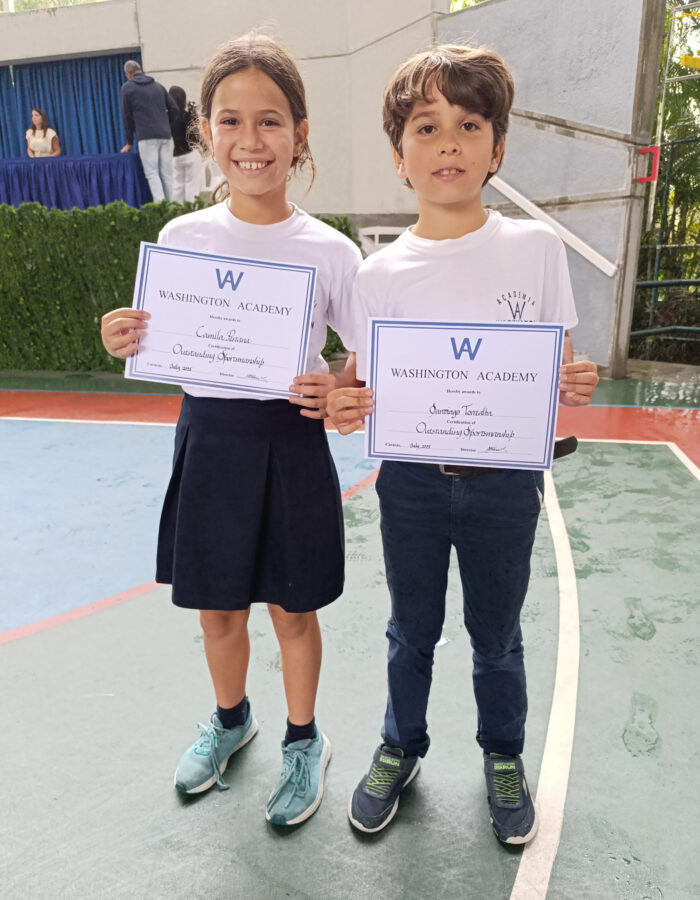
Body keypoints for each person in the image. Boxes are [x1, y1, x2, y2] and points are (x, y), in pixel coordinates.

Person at [327, 44, 599, 844]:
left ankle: (503, 755)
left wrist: (573, 382)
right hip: (410, 483)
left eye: (469, 125)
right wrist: (344, 404)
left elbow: (560, 364)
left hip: (505, 485)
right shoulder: (377, 276)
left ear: (497, 147)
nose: (448, 142)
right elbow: (355, 383)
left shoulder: (536, 249)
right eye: (426, 126)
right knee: (410, 629)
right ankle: (400, 745)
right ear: (399, 156)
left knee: (497, 635)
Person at [101, 33, 362, 826]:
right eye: (232, 121)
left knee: (293, 610)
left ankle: (304, 740)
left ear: (299, 134)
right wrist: (123, 336)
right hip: (209, 440)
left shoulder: (331, 250)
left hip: (290, 443)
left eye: (271, 121)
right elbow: (155, 337)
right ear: (205, 132)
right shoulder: (182, 241)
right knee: (217, 610)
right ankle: (230, 719)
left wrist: (339, 386)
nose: (252, 139)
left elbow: (369, 355)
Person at [120, 60, 178, 201]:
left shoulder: (127, 88)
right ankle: (174, 207)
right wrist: (165, 124)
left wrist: (129, 142)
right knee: (167, 174)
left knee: (152, 173)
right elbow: (174, 109)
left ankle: (161, 207)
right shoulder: (158, 86)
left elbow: (127, 116)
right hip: (164, 135)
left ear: (128, 74)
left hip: (146, 136)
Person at [168, 85, 203, 203]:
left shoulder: (169, 118)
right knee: (192, 186)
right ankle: (192, 209)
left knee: (177, 188)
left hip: (176, 156)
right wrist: (192, 109)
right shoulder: (186, 115)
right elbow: (194, 134)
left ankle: (175, 209)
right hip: (190, 154)